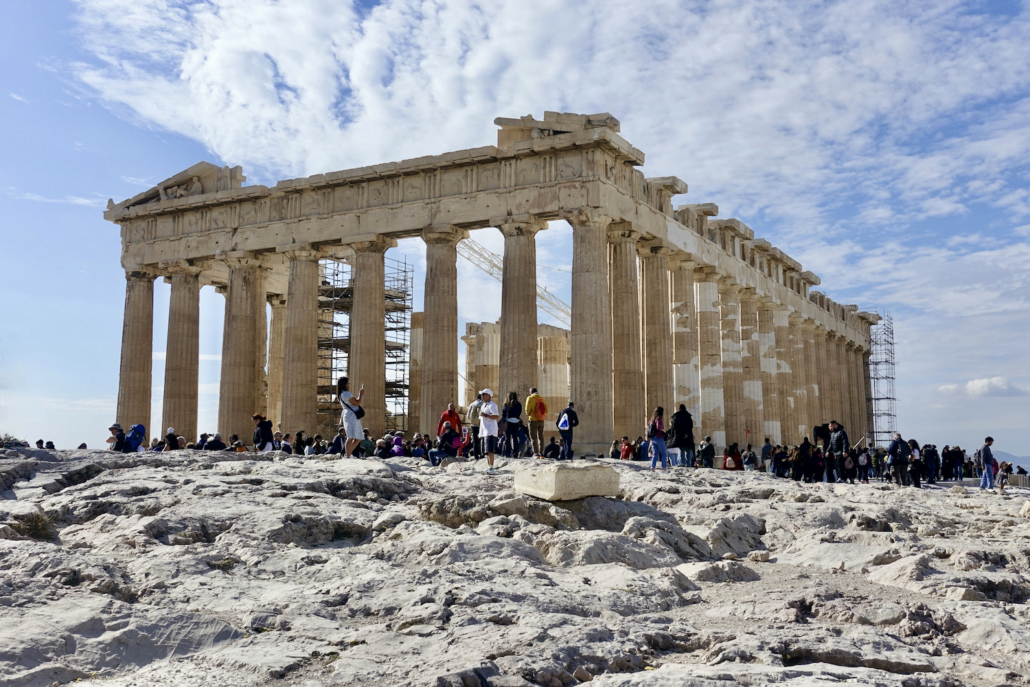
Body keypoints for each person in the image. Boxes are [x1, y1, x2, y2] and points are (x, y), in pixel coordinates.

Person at [335, 376, 365, 457]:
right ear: (344, 384)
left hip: (348, 414)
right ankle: (347, 456)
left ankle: (348, 454)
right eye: (348, 383)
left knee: (357, 437)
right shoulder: (346, 393)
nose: (349, 384)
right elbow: (357, 403)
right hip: (351, 415)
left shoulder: (341, 394)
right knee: (351, 437)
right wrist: (360, 395)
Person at [479, 389, 500, 472]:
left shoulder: (492, 405)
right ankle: (489, 467)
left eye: (484, 394)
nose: (482, 396)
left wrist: (485, 415)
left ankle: (491, 467)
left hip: (490, 430)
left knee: (490, 450)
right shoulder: (483, 405)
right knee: (486, 451)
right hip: (484, 431)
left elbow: (496, 416)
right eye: (482, 394)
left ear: (489, 395)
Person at [525, 387, 548, 456]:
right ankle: (541, 453)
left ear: (531, 392)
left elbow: (527, 410)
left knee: (533, 437)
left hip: (533, 420)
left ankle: (536, 453)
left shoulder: (530, 398)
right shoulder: (542, 399)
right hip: (541, 420)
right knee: (541, 436)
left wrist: (530, 414)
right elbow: (546, 410)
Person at [646, 407, 669, 471]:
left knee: (655, 454)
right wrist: (664, 430)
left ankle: (652, 467)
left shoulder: (651, 420)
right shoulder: (658, 419)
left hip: (653, 438)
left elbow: (648, 426)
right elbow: (659, 426)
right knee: (664, 454)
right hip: (659, 437)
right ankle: (664, 467)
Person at [501, 393, 522, 458]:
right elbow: (519, 412)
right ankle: (515, 453)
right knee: (515, 438)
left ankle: (508, 453)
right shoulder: (518, 404)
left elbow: (503, 413)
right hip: (516, 422)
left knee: (507, 438)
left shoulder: (506, 404)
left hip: (508, 422)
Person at [466, 393, 483, 460]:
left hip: (474, 425)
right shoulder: (483, 404)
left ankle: (476, 455)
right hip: (481, 424)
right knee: (482, 439)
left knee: (475, 440)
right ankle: (482, 454)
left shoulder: (472, 404)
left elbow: (468, 416)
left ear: (476, 398)